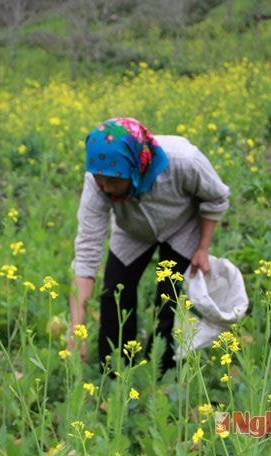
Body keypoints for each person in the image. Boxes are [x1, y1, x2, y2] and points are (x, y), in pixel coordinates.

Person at [68, 117, 230, 373]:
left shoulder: (183, 160)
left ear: (135, 167)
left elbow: (216, 197)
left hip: (181, 227)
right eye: (99, 178)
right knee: (114, 294)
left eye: (112, 180)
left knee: (169, 298)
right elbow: (87, 252)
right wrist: (76, 330)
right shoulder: (98, 183)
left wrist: (202, 248)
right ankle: (114, 371)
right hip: (132, 231)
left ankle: (163, 370)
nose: (105, 187)